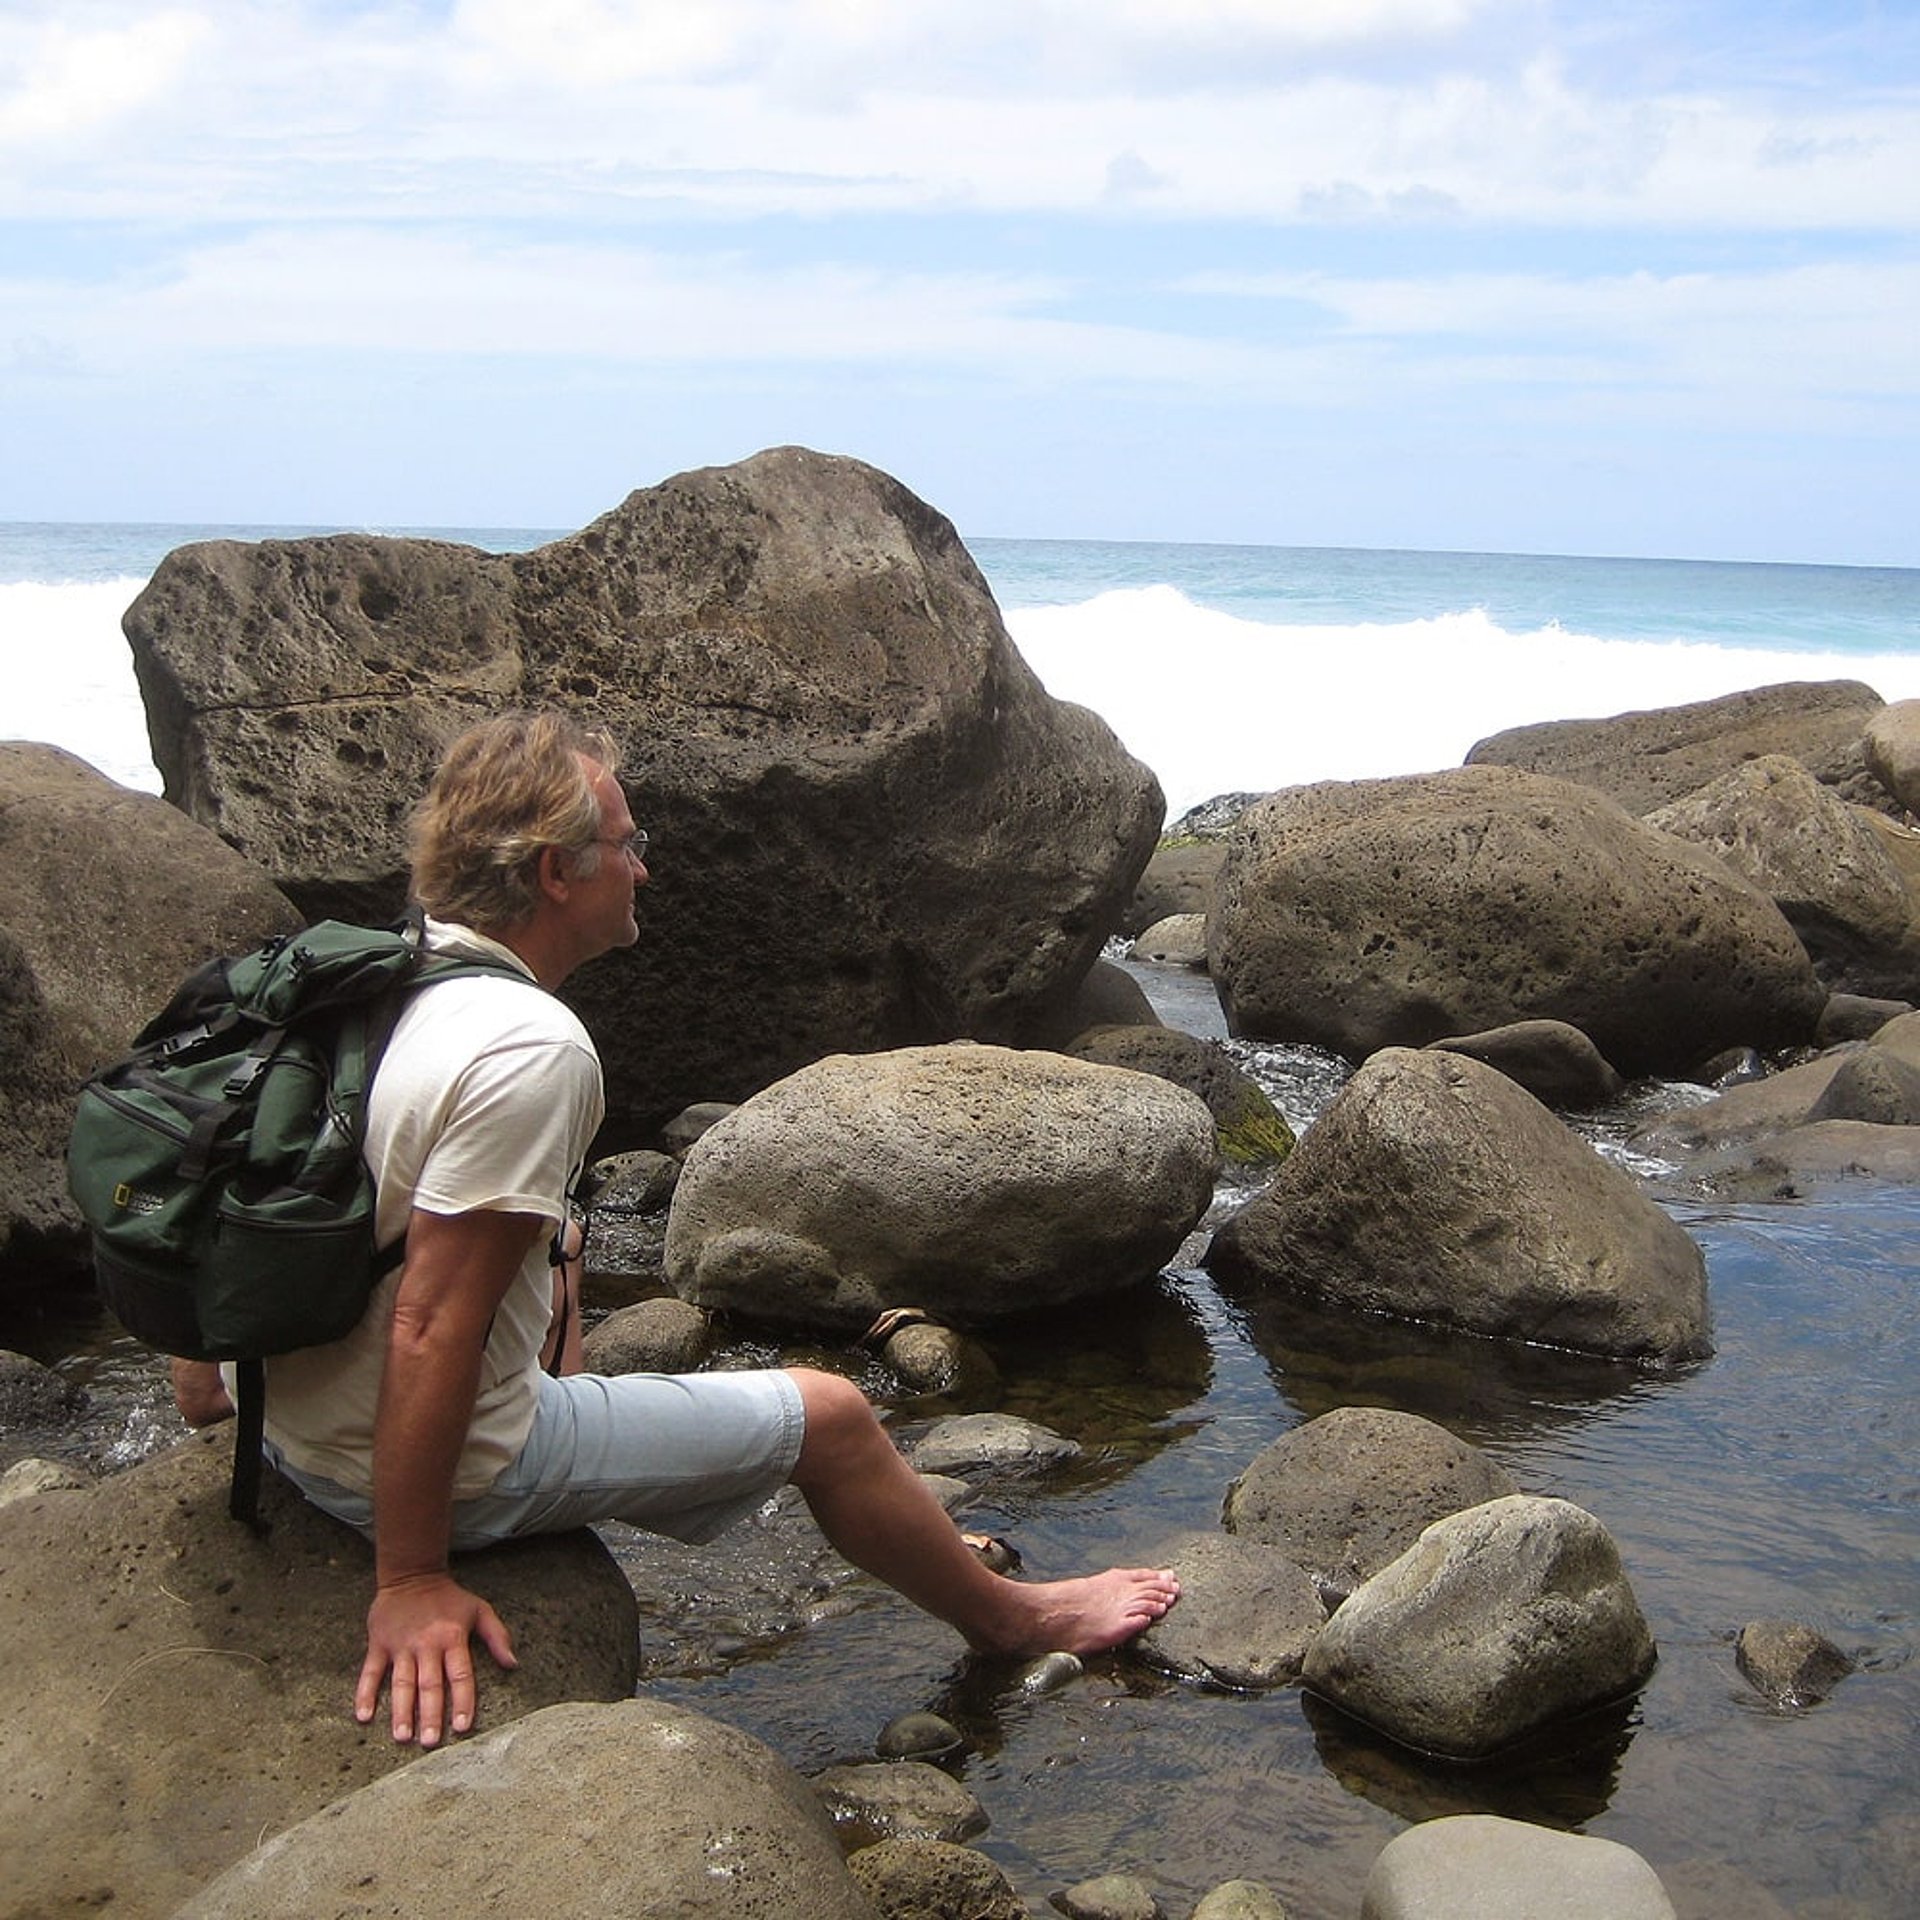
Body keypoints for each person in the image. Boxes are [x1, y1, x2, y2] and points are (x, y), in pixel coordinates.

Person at [175, 710, 1178, 1748]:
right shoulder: (528, 1046)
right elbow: (430, 1328)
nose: (644, 870)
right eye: (628, 844)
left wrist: (225, 1391)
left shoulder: (373, 972)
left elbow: (229, 1180)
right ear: (560, 872)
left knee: (556, 1269)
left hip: (281, 1424)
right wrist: (413, 1579)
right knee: (832, 1417)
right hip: (400, 1473)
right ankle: (1017, 1619)